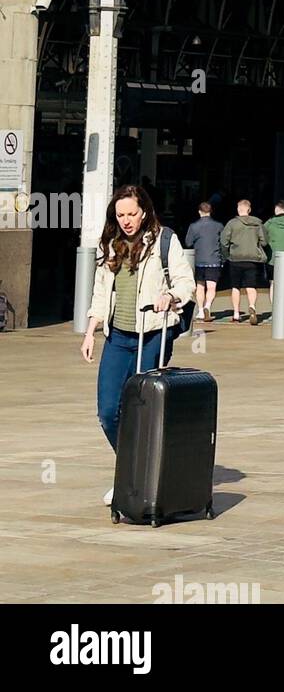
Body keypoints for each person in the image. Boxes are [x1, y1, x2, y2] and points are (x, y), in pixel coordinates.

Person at [81, 184, 195, 505]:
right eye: (120, 215)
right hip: (118, 337)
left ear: (144, 211)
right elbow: (102, 291)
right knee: (108, 411)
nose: (126, 220)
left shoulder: (164, 240)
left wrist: (171, 295)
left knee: (140, 407)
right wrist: (91, 330)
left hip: (154, 334)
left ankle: (140, 475)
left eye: (132, 214)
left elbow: (186, 282)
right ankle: (131, 469)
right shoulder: (112, 244)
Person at [221, 198, 267, 325]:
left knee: (236, 287)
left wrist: (227, 255)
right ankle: (252, 306)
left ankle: (236, 314)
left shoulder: (231, 223)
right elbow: (264, 241)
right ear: (249, 209)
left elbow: (224, 241)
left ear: (238, 209)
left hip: (235, 258)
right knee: (251, 286)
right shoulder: (258, 223)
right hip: (252, 259)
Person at [184, 200, 223, 325]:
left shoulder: (193, 226)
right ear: (210, 211)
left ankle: (200, 311)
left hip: (199, 259)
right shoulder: (219, 226)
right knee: (211, 287)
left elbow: (188, 242)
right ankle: (208, 306)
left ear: (199, 212)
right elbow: (223, 243)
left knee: (200, 286)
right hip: (214, 259)